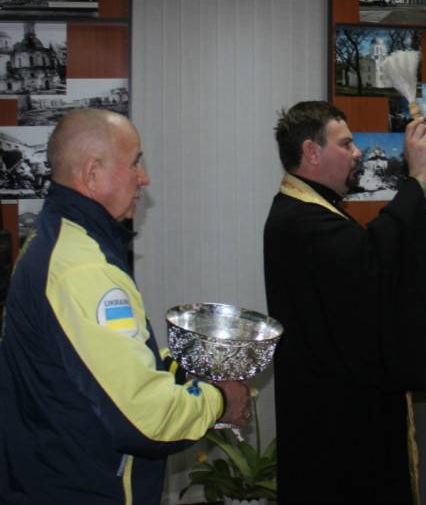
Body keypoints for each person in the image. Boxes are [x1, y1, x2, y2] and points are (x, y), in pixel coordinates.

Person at [0, 108, 250, 505]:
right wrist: (221, 400)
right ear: (92, 174)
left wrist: (181, 366)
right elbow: (144, 419)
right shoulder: (84, 269)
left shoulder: (57, 238)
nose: (144, 178)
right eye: (135, 162)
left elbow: (89, 366)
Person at [263, 101, 426, 504]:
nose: (357, 153)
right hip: (336, 417)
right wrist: (418, 180)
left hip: (331, 404)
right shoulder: (301, 220)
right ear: (311, 152)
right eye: (346, 143)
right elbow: (373, 259)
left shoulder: (307, 209)